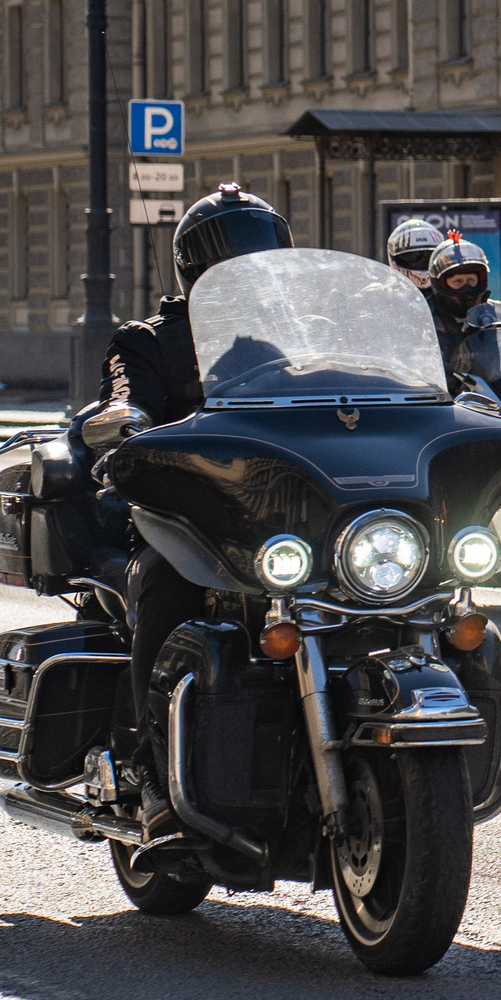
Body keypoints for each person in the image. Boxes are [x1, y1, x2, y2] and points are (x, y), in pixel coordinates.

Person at [102, 184, 295, 767]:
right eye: (233, 259)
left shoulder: (289, 339)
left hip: (281, 513)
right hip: (185, 518)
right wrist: (124, 417)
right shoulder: (149, 341)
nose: (248, 273)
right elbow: (126, 395)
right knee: (168, 581)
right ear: (197, 267)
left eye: (259, 260)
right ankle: (145, 753)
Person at [422, 233, 491, 373]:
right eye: (458, 282)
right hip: (444, 393)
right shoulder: (423, 319)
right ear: (440, 284)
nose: (466, 287)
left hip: (490, 392)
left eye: (471, 281)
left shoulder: (495, 315)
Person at [387, 216, 444, 290]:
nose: (422, 263)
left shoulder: (449, 294)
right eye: (413, 257)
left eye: (429, 257)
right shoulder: (385, 293)